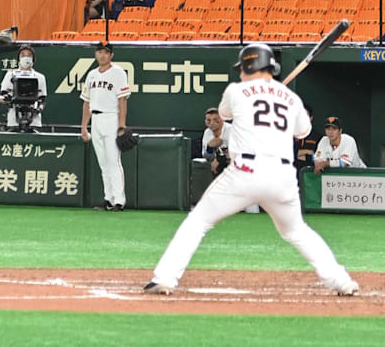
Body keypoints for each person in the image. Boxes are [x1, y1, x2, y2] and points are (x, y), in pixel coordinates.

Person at [144, 43, 360, 296]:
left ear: (248, 67)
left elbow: (223, 113)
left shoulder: (236, 91)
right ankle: (341, 280)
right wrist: (279, 99)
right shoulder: (290, 98)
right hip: (281, 176)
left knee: (198, 220)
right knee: (296, 230)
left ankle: (165, 278)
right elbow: (303, 131)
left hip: (244, 171)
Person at [80, 42, 131, 211]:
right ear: (96, 54)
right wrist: (84, 127)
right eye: (99, 52)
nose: (102, 55)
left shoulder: (118, 73)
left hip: (111, 117)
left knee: (113, 161)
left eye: (106, 52)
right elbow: (86, 102)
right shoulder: (91, 74)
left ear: (111, 55)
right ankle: (108, 198)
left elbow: (122, 100)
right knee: (103, 163)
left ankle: (119, 200)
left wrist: (121, 125)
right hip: (95, 119)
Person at [0, 45, 48, 131]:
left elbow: (42, 99)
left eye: (29, 55)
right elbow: (1, 96)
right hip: (14, 119)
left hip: (34, 121)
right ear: (19, 59)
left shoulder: (40, 77)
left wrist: (38, 109)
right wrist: (7, 99)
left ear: (33, 59)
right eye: (23, 55)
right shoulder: (10, 75)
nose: (26, 57)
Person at [201, 107, 228, 176]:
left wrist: (219, 159)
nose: (212, 123)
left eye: (215, 120)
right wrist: (209, 147)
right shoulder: (207, 132)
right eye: (208, 120)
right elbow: (206, 156)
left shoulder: (231, 130)